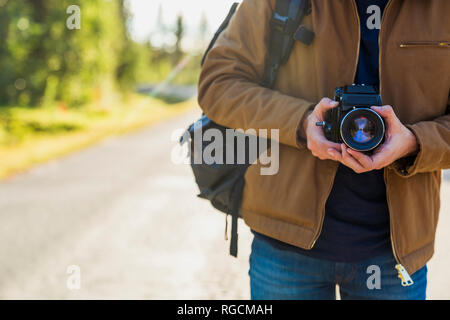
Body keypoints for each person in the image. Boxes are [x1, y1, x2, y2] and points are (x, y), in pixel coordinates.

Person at [198, 0, 450, 300]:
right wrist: (301, 124)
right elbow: (218, 83)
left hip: (397, 252)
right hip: (284, 242)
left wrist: (414, 142)